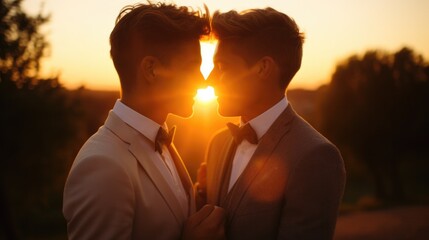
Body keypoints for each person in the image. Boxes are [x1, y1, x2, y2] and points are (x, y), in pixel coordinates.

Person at [63, 3, 225, 240]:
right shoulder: (104, 167)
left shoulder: (159, 138)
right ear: (151, 69)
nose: (203, 82)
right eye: (192, 67)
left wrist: (198, 197)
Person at [196, 7, 346, 239]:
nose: (209, 80)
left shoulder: (316, 157)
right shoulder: (217, 144)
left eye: (222, 67)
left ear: (263, 68)